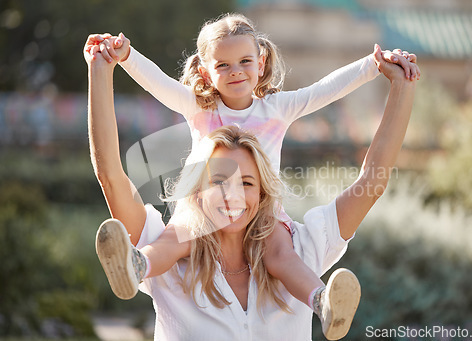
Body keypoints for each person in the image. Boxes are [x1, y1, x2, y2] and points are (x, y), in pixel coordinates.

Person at [84, 12, 419, 339]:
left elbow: (325, 90)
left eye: (245, 62)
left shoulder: (277, 109)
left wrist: (372, 65)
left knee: (281, 254)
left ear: (261, 63)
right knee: (174, 239)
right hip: (200, 214)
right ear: (205, 72)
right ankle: (137, 265)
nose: (235, 72)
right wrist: (124, 56)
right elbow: (158, 84)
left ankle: (321, 300)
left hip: (267, 216)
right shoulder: (200, 108)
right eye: (223, 65)